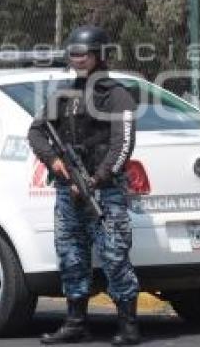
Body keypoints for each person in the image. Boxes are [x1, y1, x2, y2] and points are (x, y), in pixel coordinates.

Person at [28, 25, 141, 346]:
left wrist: (94, 181)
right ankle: (76, 322)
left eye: (84, 54)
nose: (77, 59)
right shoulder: (64, 94)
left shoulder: (117, 95)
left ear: (100, 56)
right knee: (70, 255)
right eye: (73, 54)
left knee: (115, 256)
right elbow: (36, 132)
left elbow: (123, 146)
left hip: (104, 192)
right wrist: (54, 161)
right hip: (68, 189)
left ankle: (129, 327)